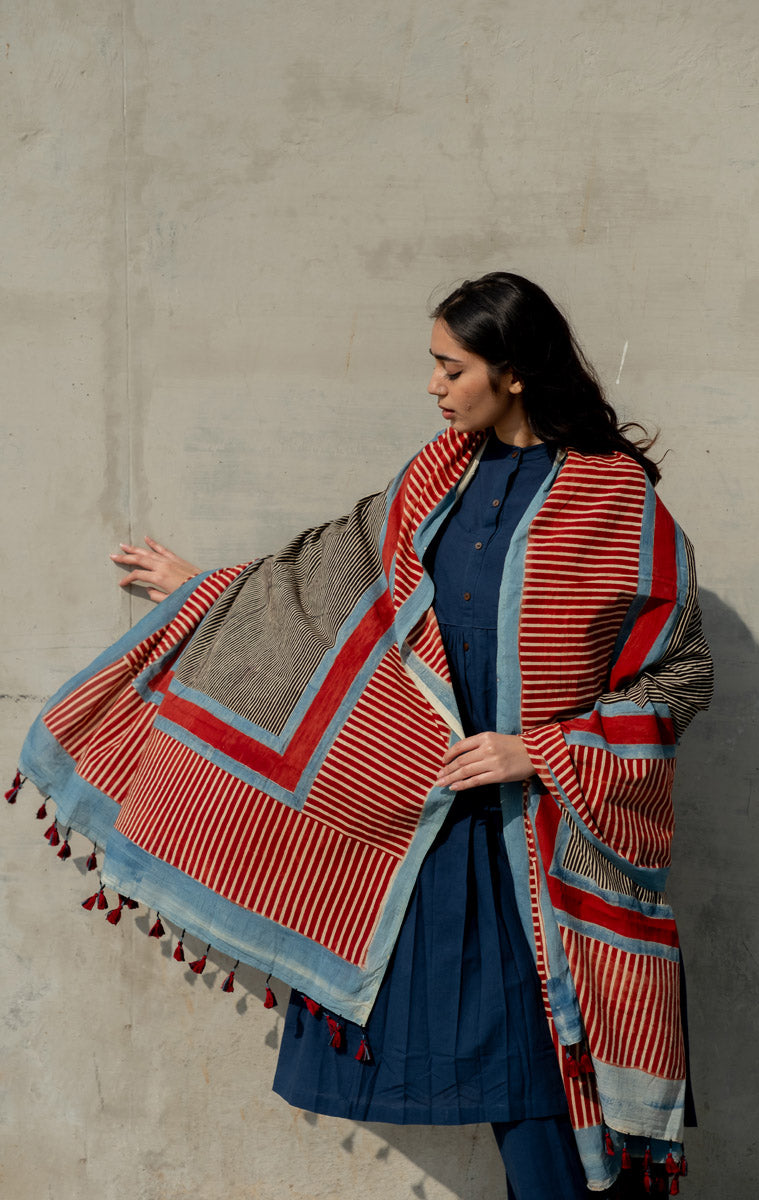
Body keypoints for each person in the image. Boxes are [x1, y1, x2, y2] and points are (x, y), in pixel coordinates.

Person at [14, 273, 712, 1198]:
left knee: (555, 1103)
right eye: (434, 365)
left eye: (451, 368)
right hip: (427, 840)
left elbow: (681, 673)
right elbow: (328, 595)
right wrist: (209, 590)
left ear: (511, 373)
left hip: (544, 849)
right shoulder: (434, 479)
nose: (433, 386)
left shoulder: (614, 500)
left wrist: (539, 751)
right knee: (509, 1082)